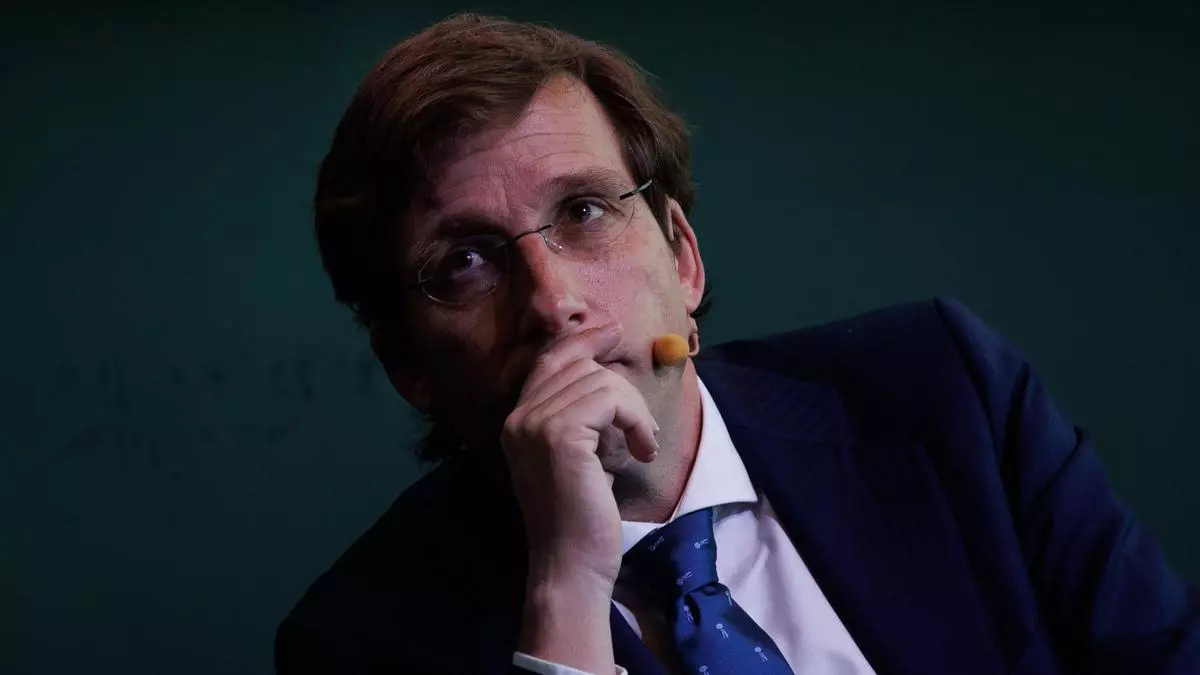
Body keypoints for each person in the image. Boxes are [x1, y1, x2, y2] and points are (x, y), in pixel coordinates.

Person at [274, 13, 1199, 675]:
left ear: (682, 256)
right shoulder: (357, 640)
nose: (553, 302)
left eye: (585, 211)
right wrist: (566, 586)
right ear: (409, 367)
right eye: (466, 261)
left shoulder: (948, 393)